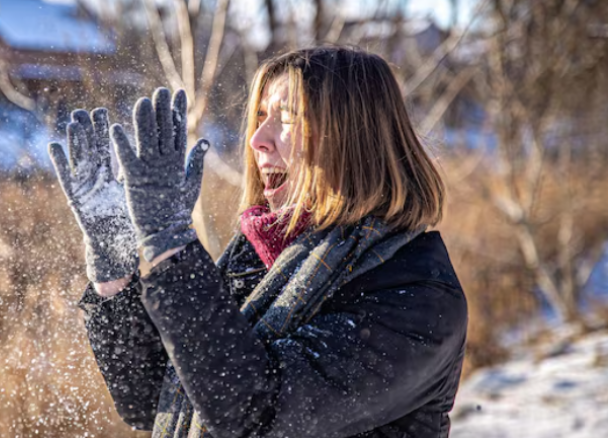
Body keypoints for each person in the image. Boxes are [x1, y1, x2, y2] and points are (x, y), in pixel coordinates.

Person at [48, 46, 468, 438]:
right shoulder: (258, 255)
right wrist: (115, 270)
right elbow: (157, 396)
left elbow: (256, 412)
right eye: (262, 116)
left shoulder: (416, 294)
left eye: (287, 118)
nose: (257, 140)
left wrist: (171, 245)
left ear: (352, 138)